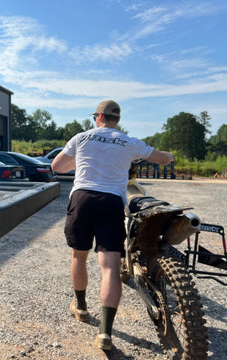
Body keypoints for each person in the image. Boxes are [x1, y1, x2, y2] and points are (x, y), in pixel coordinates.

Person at [51, 100, 174, 351]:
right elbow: (162, 159)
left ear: (98, 117)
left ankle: (82, 307)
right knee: (110, 267)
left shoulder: (82, 138)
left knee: (79, 257)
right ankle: (105, 333)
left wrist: (84, 162)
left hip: (82, 198)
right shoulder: (128, 141)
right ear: (117, 120)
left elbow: (57, 167)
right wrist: (170, 156)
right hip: (110, 202)